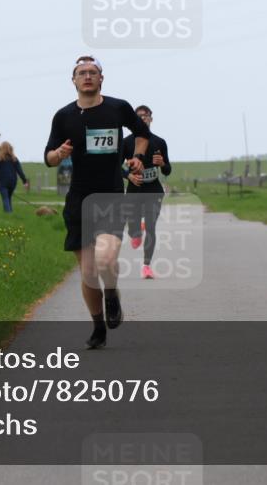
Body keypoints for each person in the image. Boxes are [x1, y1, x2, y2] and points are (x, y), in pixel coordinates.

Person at [45, 56, 150, 349]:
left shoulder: (118, 108)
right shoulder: (63, 116)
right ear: (74, 80)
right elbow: (48, 157)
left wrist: (137, 157)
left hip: (110, 195)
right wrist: (58, 154)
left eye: (93, 72)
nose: (87, 76)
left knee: (105, 259)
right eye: (82, 72)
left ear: (101, 78)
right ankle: (98, 327)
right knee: (89, 272)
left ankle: (112, 293)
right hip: (79, 199)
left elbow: (142, 135)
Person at [122, 105, 172, 280]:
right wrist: (129, 176)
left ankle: (146, 266)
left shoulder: (159, 142)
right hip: (134, 191)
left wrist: (162, 164)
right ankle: (136, 231)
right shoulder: (127, 142)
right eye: (139, 116)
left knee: (151, 227)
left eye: (146, 115)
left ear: (151, 118)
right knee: (133, 228)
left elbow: (168, 170)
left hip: (154, 191)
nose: (142, 118)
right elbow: (115, 167)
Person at [0, 141, 29, 212]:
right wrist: (24, 181)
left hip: (2, 182)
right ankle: (10, 214)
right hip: (12, 182)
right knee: (8, 198)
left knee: (5, 198)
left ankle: (8, 213)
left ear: (1, 149)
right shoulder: (14, 159)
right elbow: (20, 171)